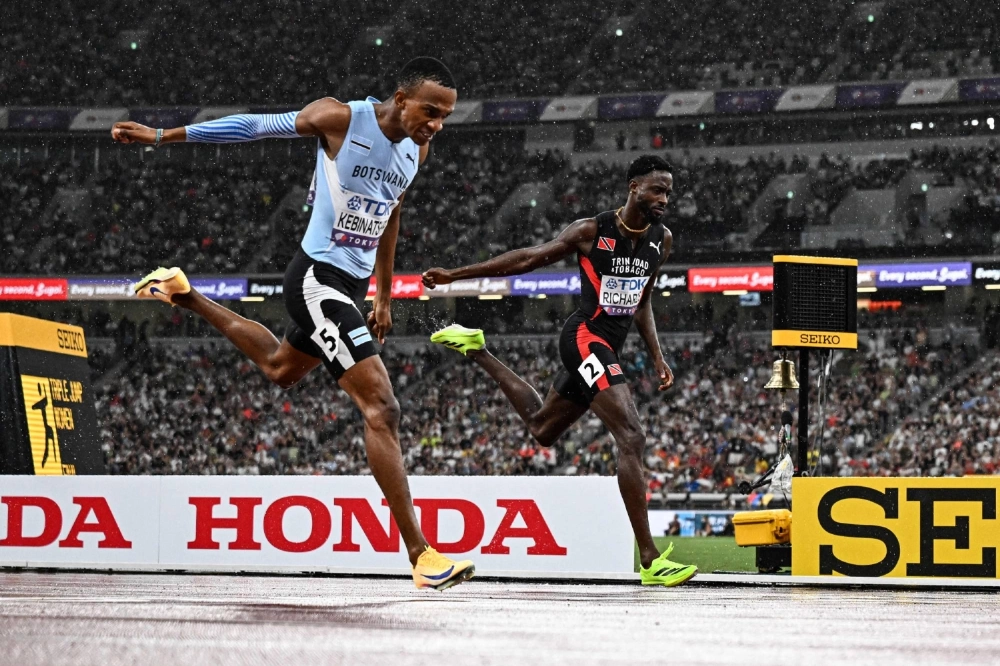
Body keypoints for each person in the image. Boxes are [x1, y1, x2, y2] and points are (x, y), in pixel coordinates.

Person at [110, 57, 474, 591]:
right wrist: (163, 135)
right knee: (383, 408)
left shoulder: (417, 149)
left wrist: (383, 293)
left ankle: (184, 294)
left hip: (352, 286)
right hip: (316, 278)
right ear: (401, 98)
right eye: (430, 110)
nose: (437, 124)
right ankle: (421, 555)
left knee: (281, 368)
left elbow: (391, 210)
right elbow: (254, 125)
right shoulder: (339, 119)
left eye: (445, 116)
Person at [423, 155, 697, 587]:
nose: (665, 199)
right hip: (584, 338)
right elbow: (527, 260)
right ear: (634, 188)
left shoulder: (662, 240)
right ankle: (650, 560)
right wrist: (456, 276)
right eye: (657, 190)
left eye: (669, 192)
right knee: (632, 436)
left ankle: (478, 350)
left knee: (542, 428)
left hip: (609, 346)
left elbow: (643, 302)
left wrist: (657, 355)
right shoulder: (591, 231)